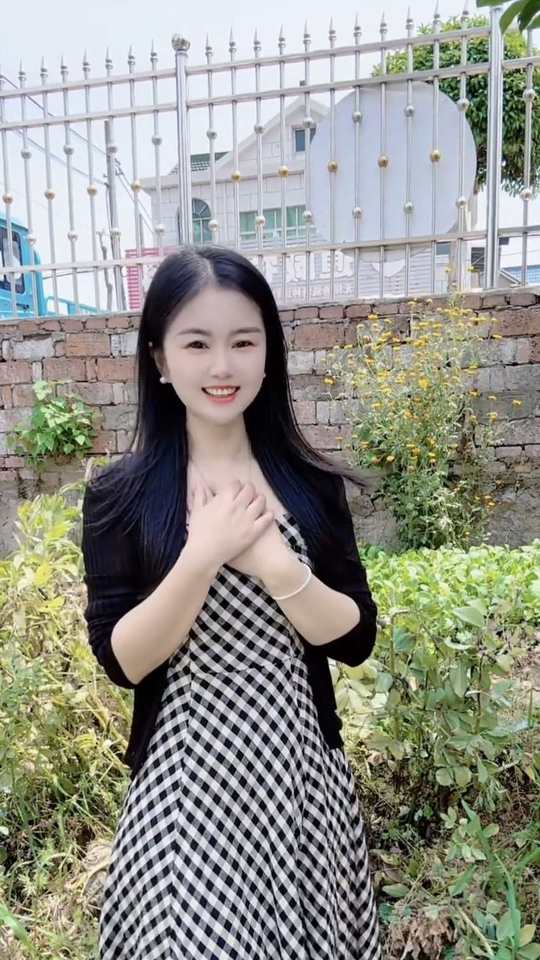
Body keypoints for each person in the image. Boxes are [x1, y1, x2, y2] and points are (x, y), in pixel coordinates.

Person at [81, 245, 382, 959]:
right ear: (160, 358)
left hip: (300, 780)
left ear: (269, 353)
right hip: (185, 783)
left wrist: (276, 565)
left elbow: (354, 638)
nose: (223, 366)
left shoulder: (310, 484)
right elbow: (123, 661)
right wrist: (202, 555)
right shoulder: (120, 498)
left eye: (244, 342)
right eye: (197, 344)